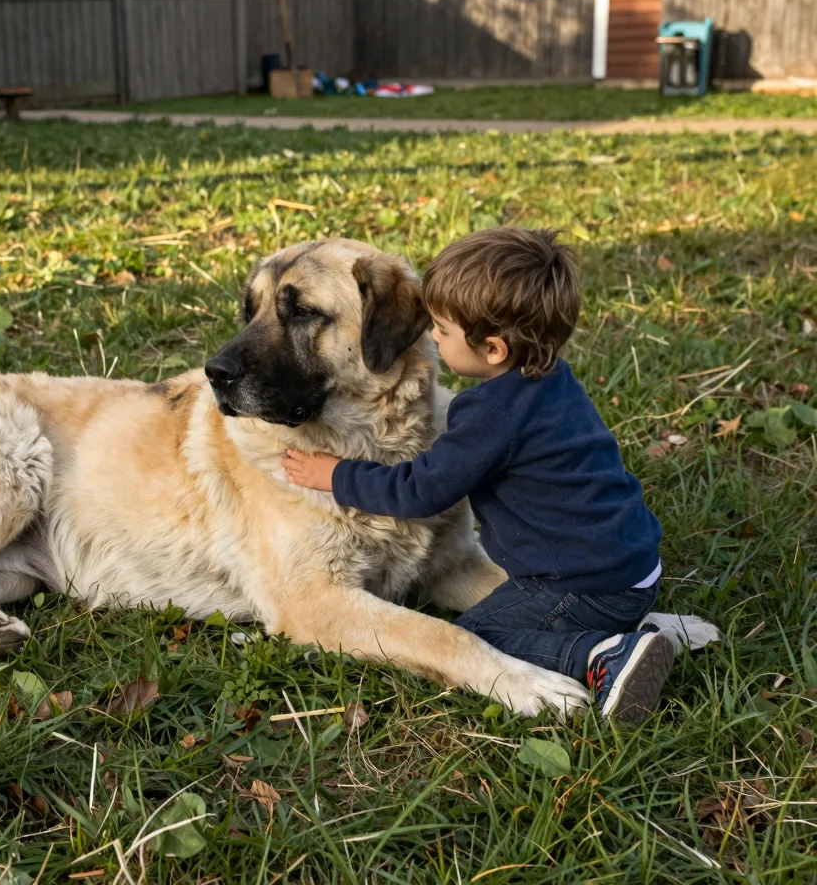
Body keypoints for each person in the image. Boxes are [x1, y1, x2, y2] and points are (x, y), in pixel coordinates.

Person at [282, 227, 675, 722]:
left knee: (484, 636)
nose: (431, 341)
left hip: (577, 583)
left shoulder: (488, 416)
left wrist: (337, 475)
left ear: (492, 349)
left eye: (441, 332)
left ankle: (602, 655)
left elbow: (419, 491)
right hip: (635, 567)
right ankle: (639, 627)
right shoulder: (554, 379)